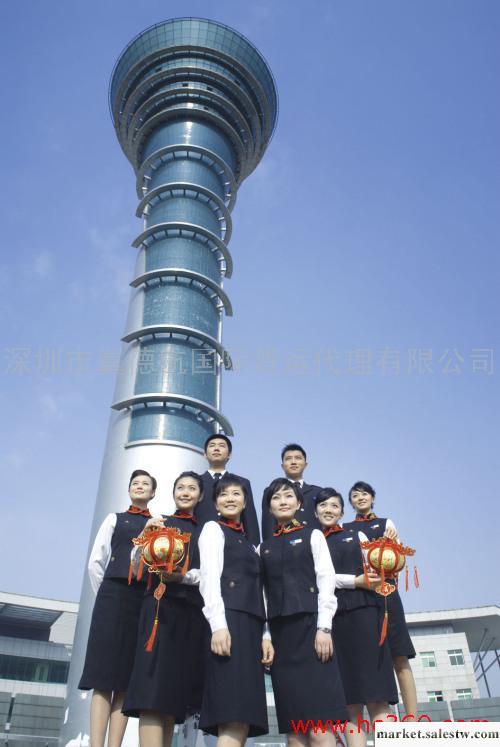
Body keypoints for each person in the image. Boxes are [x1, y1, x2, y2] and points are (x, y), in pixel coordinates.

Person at [122, 471, 207, 747]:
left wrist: (183, 577)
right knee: (151, 689)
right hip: (158, 609)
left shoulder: (207, 530)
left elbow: (209, 572)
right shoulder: (157, 523)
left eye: (191, 488)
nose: (185, 492)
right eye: (180, 487)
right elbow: (135, 564)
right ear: (172, 493)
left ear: (201, 495)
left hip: (190, 613)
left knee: (173, 694)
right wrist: (143, 539)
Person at [260, 478, 347, 747]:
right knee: (294, 727)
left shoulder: (313, 535)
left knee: (320, 724)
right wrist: (265, 636)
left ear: (299, 504)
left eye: (288, 496)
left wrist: (324, 628)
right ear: (269, 506)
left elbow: (326, 581)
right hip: (280, 637)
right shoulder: (264, 547)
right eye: (276, 497)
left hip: (312, 631)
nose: (282, 501)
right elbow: (262, 594)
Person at [315, 488, 398, 747]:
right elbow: (320, 579)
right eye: (323, 506)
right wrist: (354, 581)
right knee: (350, 704)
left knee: (378, 698)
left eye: (334, 506)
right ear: (315, 511)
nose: (328, 510)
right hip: (335, 622)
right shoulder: (313, 541)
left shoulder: (357, 534)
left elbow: (373, 574)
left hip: (366, 616)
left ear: (342, 511)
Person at [79, 470, 156, 747]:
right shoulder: (115, 518)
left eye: (145, 484)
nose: (139, 486)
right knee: (102, 678)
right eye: (135, 483)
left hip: (141, 600)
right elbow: (96, 563)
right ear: (129, 489)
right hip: (111, 597)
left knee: (124, 679)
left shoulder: (159, 525)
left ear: (153, 493)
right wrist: (107, 595)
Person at [198, 473, 272, 744]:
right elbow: (209, 579)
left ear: (244, 503)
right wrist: (218, 626)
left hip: (251, 627)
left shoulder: (252, 544)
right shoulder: (213, 530)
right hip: (228, 623)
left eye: (236, 494)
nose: (230, 498)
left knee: (244, 717)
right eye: (224, 494)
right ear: (216, 503)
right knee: (231, 714)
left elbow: (260, 591)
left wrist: (266, 634)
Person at [343, 481, 417, 720]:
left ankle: (412, 719)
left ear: (373, 498)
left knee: (399, 656)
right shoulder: (346, 528)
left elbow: (397, 559)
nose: (360, 498)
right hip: (363, 598)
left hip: (388, 594)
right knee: (370, 658)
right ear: (350, 502)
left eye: (364, 494)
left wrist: (389, 545)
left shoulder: (387, 523)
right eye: (355, 495)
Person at [195, 434, 260, 545]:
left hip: (235, 543)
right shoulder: (196, 483)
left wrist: (254, 548)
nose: (216, 448)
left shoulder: (242, 483)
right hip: (201, 545)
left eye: (221, 445)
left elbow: (250, 521)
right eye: (212, 445)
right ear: (205, 454)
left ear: (229, 454)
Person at [261, 444, 322, 539]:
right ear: (282, 466)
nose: (293, 462)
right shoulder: (271, 491)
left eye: (298, 458)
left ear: (305, 464)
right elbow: (268, 526)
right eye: (288, 458)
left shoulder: (318, 492)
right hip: (284, 545)